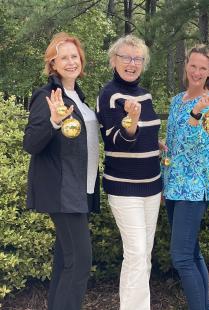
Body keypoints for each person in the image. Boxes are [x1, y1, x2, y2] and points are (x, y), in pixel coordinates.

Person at [23, 32, 100, 310]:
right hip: (62, 190)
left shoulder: (78, 97)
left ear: (81, 61)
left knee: (65, 262)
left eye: (74, 56)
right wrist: (54, 122)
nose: (70, 62)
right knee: (80, 263)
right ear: (52, 64)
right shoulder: (47, 96)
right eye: (63, 57)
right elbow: (30, 143)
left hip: (81, 189)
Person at [96, 35, 162, 310]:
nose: (132, 64)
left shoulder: (144, 94)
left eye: (137, 59)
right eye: (126, 57)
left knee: (143, 255)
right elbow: (115, 140)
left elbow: (147, 133)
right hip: (124, 187)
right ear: (114, 60)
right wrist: (131, 124)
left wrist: (154, 142)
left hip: (152, 185)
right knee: (135, 253)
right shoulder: (109, 95)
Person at [162, 44, 209, 310]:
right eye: (193, 65)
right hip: (172, 185)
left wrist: (197, 113)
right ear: (186, 65)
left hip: (193, 187)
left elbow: (201, 146)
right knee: (193, 253)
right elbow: (178, 142)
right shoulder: (177, 100)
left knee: (182, 257)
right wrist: (164, 144)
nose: (197, 72)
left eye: (203, 68)